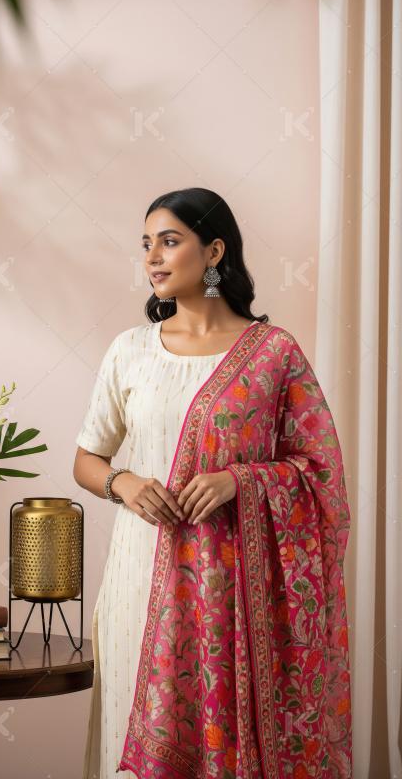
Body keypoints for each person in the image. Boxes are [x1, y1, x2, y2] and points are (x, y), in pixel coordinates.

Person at [73, 187, 352, 779]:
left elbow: (321, 472)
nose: (153, 256)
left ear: (215, 250)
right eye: (146, 244)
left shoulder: (275, 353)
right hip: (138, 580)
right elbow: (86, 459)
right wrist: (123, 483)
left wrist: (239, 481)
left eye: (169, 241)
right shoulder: (131, 351)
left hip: (237, 594)